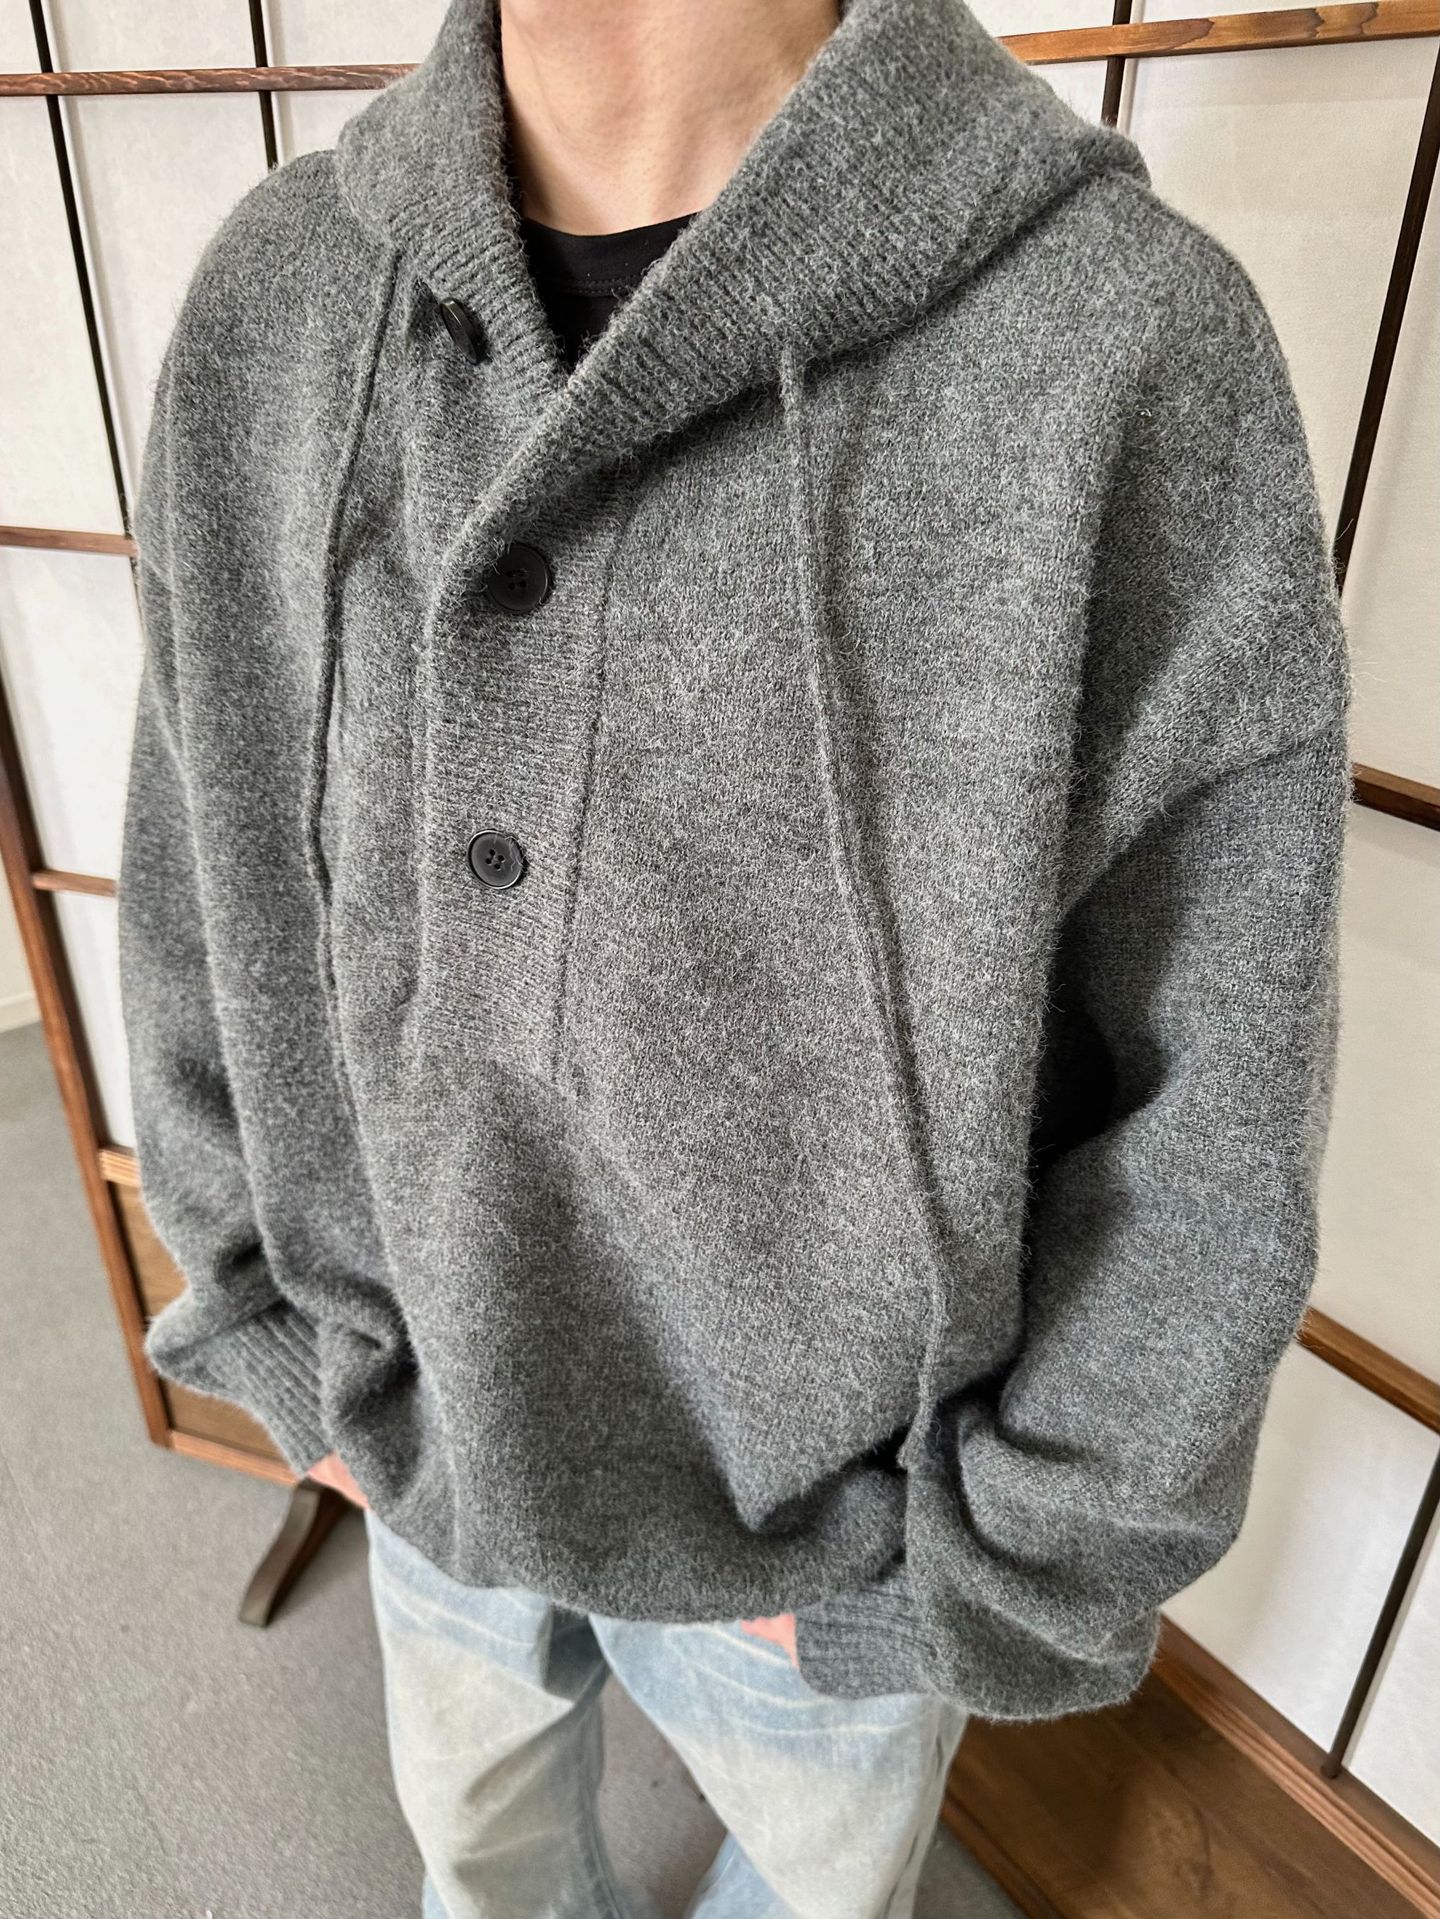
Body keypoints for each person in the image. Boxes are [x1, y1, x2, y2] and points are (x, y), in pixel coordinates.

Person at [115, 0, 1353, 1913]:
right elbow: (198, 876)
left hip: (838, 1541)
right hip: (419, 1435)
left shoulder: (1120, 345)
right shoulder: (278, 305)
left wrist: (998, 1561)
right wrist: (284, 1331)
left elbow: (1216, 1087)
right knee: (481, 1863)